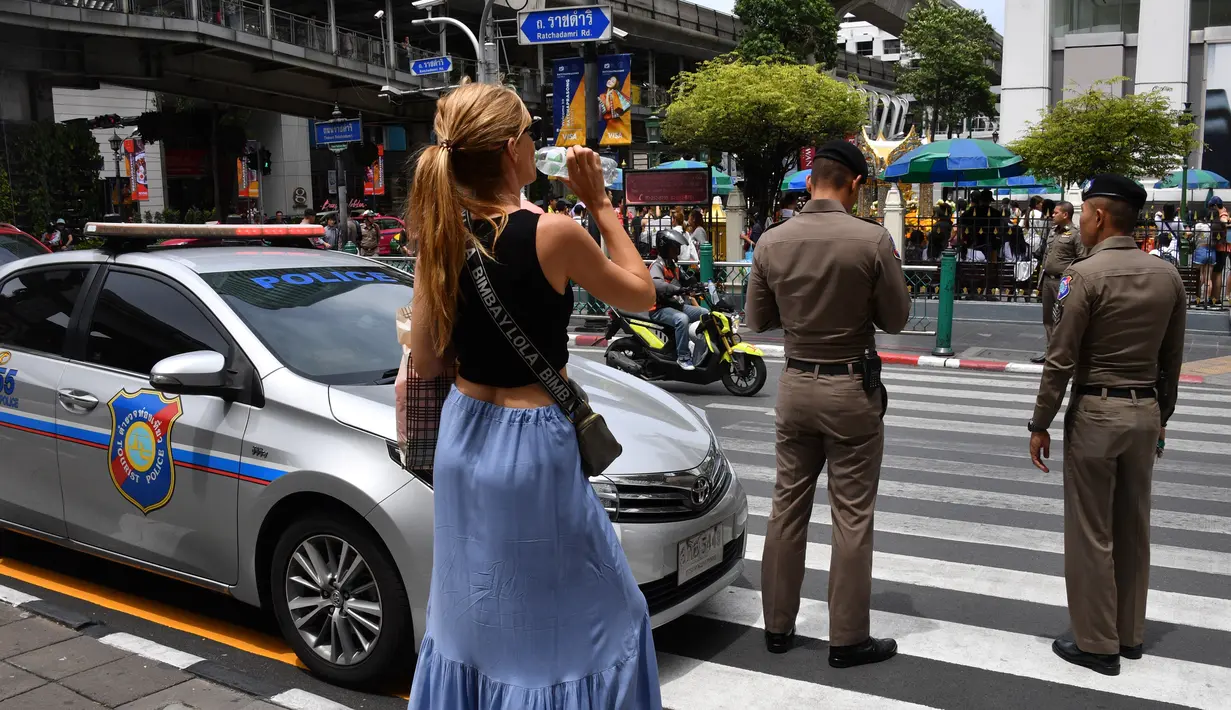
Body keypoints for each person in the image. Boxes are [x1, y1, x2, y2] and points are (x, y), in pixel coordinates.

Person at [406, 82, 660, 709]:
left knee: (476, 616)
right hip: (531, 441)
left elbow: (432, 355)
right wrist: (600, 205)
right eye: (529, 132)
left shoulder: (442, 234)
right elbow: (640, 293)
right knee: (593, 618)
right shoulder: (553, 232)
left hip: (463, 437)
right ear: (514, 149)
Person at [744, 140, 910, 667]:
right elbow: (898, 319)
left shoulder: (772, 240)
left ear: (810, 178)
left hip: (795, 386)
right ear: (856, 184)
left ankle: (776, 628)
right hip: (850, 388)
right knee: (853, 516)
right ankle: (847, 639)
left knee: (786, 507)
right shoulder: (872, 239)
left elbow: (757, 320)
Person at [1027, 174, 1186, 677]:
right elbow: (1173, 359)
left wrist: (1040, 421)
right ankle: (1129, 633)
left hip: (1097, 411)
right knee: (1133, 527)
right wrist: (1163, 416)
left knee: (1092, 530)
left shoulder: (1085, 275)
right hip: (1145, 413)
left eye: (1084, 211)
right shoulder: (1167, 275)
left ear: (1097, 216)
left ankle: (1097, 643)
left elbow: (1060, 359)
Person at [648, 229, 708, 370]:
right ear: (665, 248)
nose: (678, 250)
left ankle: (700, 348)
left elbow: (686, 280)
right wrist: (677, 289)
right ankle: (683, 357)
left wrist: (698, 284)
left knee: (705, 313)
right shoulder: (657, 266)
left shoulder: (673, 266)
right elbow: (658, 284)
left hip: (675, 305)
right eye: (674, 247)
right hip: (659, 309)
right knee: (682, 319)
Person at [1032, 201, 1083, 363]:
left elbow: (1081, 258)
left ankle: (1064, 353)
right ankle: (1050, 351)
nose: (1052, 215)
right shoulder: (1053, 232)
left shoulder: (1076, 234)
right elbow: (1046, 255)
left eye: (1055, 213)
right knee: (1048, 318)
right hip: (1048, 280)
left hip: (1064, 282)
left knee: (1063, 318)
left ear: (1065, 215)